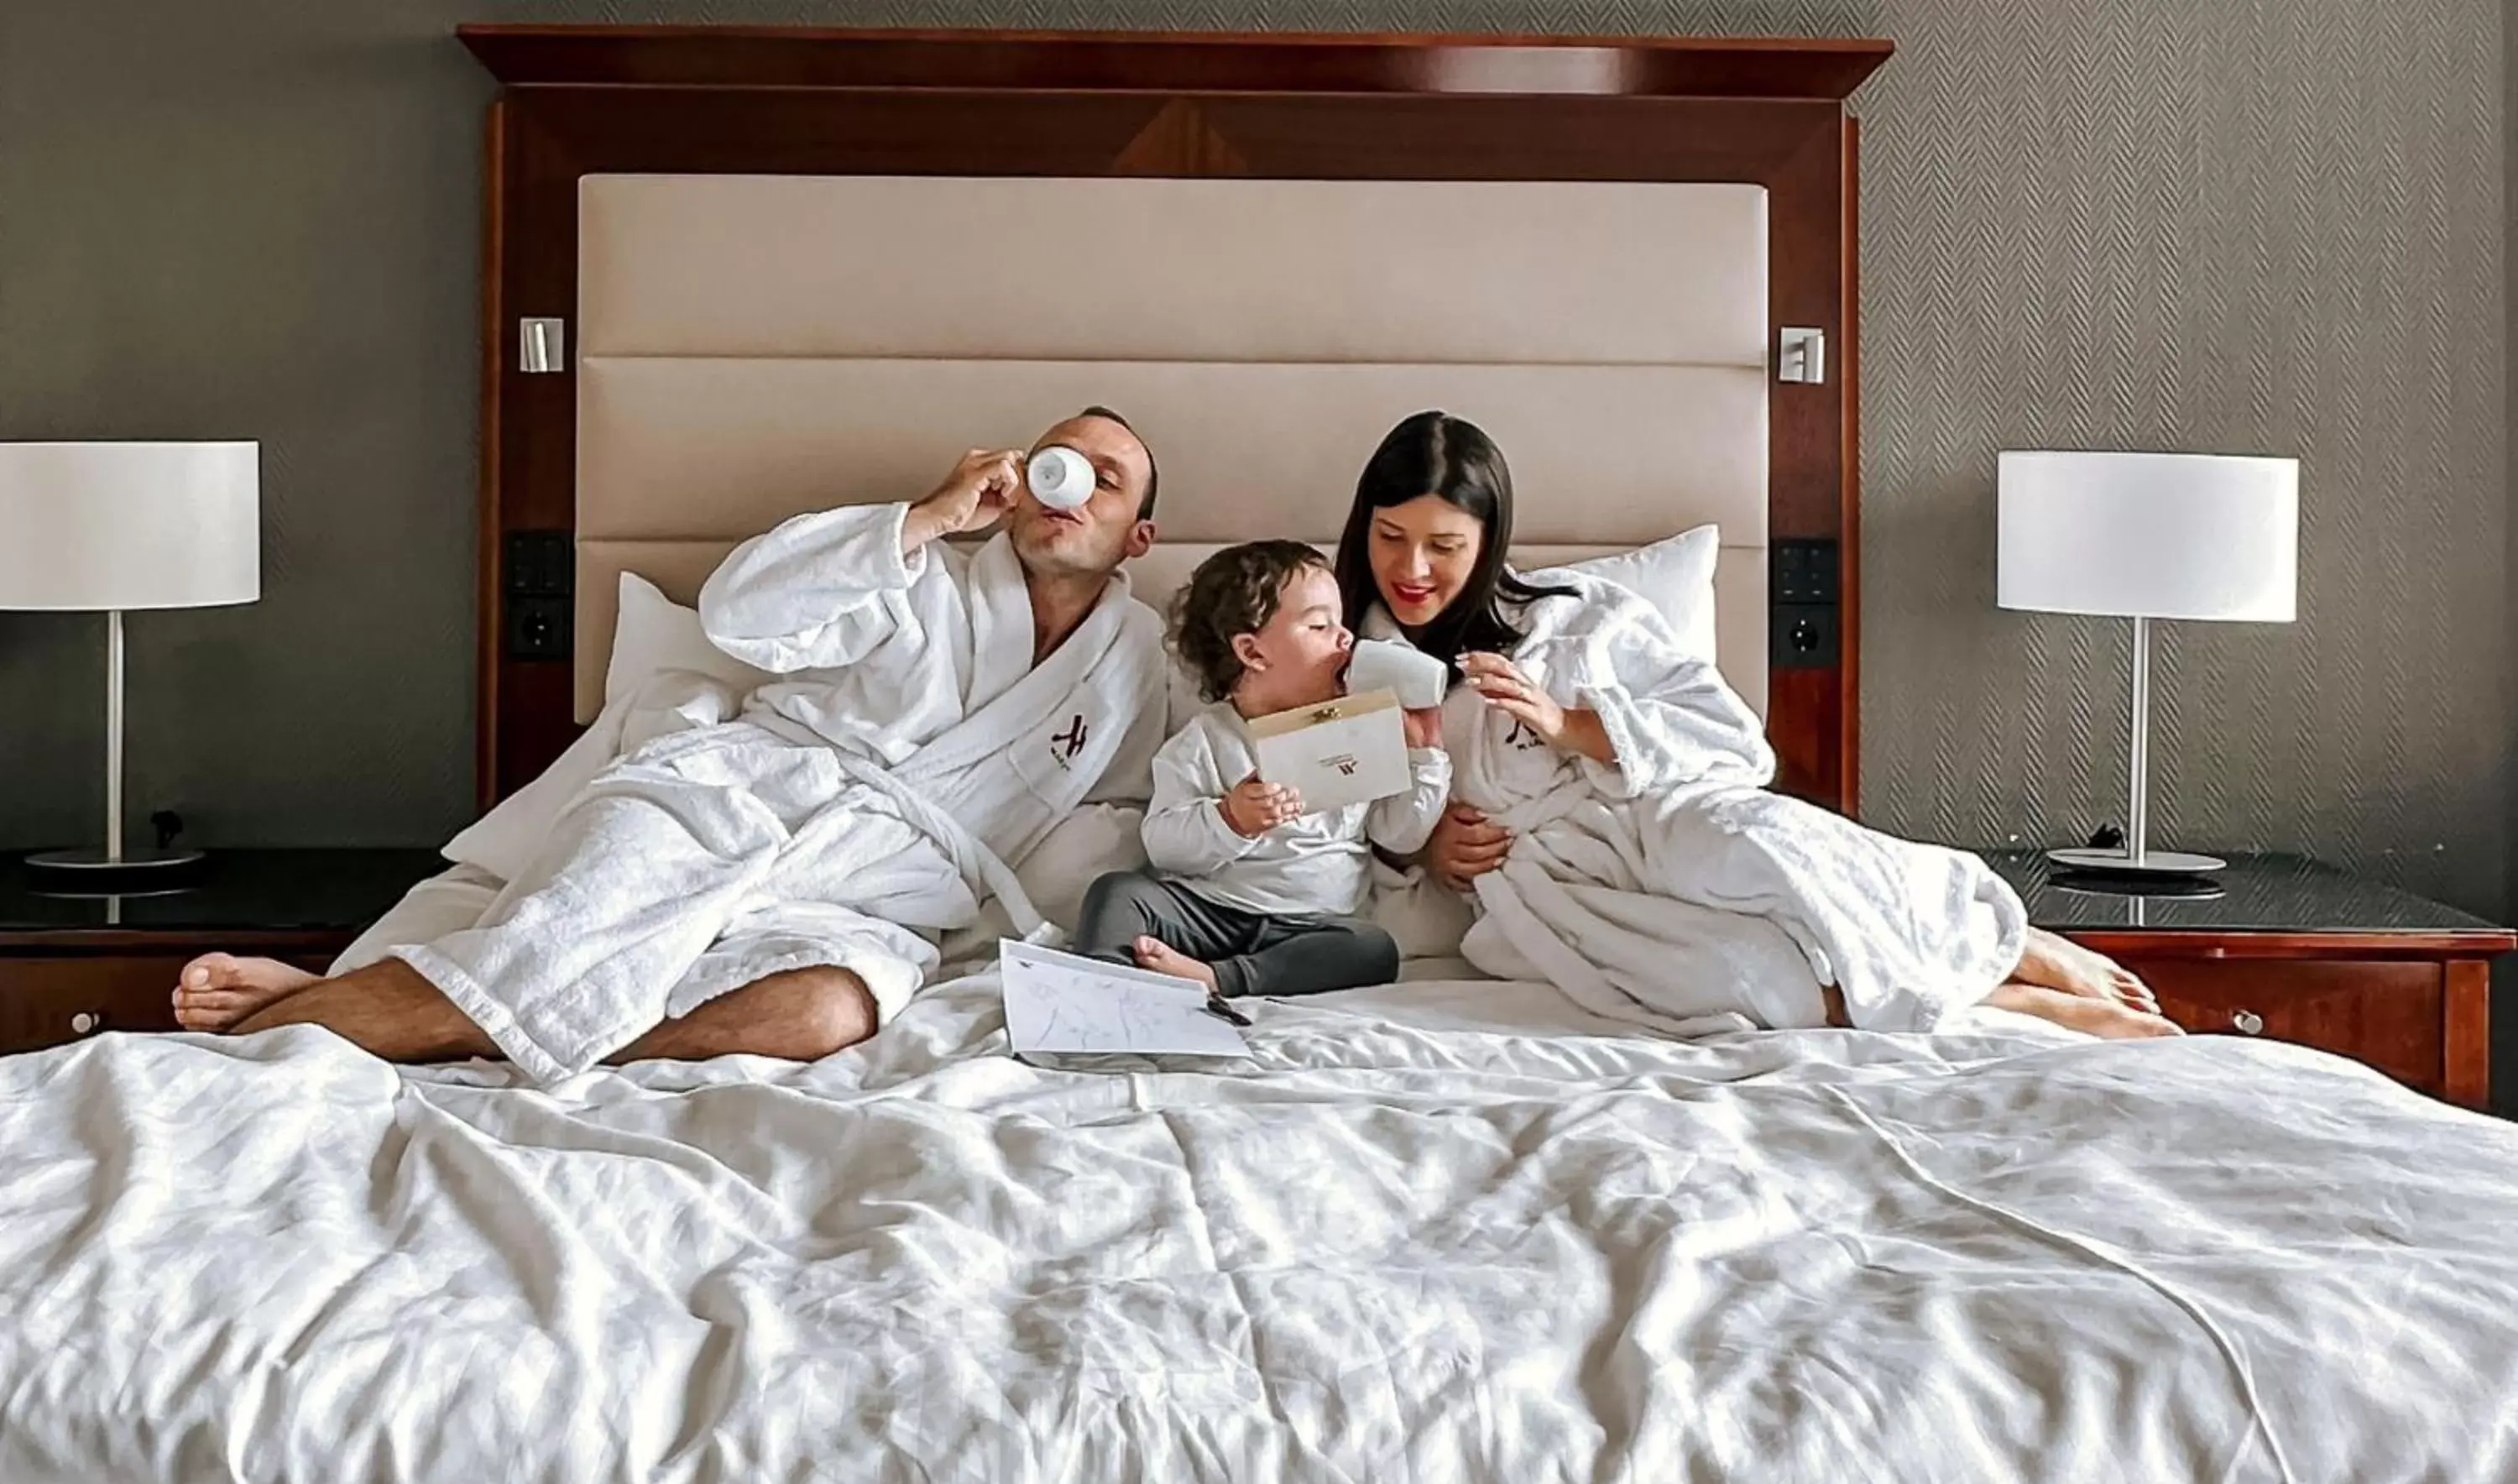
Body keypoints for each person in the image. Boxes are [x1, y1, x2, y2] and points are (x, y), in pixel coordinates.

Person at [172, 410, 1171, 1081]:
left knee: (824, 1013)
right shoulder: (914, 572)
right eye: (1055, 465)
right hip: (725, 805)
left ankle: (429, 1013)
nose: (1068, 489)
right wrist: (922, 518)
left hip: (872, 888)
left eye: (1106, 481)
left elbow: (1117, 822)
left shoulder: (1134, 666)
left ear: (1138, 537)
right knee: (549, 953)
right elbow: (744, 613)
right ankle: (251, 1051)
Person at [1337, 410, 2179, 1042]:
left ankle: (2002, 939)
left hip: (1658, 811)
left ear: (1487, 541)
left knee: (1752, 847)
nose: (1412, 569)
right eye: (1391, 537)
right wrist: (1423, 848)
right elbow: (1329, 822)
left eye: (1443, 545)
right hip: (1550, 887)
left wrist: (1572, 722)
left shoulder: (1581, 615)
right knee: (1743, 978)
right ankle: (1999, 997)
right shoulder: (1345, 660)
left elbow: (1735, 742)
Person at [1074, 541, 1448, 1000]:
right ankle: (1099, 993)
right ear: (1252, 652)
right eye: (1319, 624)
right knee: (1117, 893)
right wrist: (1230, 819)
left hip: (1309, 927)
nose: (1345, 637)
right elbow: (1164, 847)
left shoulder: (1357, 730)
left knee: (1372, 949)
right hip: (1208, 913)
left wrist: (1426, 754)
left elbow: (1401, 836)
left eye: (1342, 621)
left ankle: (1218, 979)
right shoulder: (1204, 742)